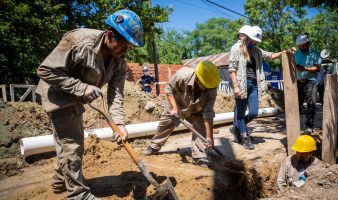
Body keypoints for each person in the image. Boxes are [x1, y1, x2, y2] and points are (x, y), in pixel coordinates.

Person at [35, 9, 143, 199]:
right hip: (57, 94)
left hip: (76, 97)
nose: (125, 52)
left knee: (69, 142)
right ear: (110, 35)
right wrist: (81, 88)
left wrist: (119, 123)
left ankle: (60, 181)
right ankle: (79, 195)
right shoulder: (78, 41)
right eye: (123, 45)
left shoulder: (120, 58)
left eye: (129, 48)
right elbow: (45, 70)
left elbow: (116, 91)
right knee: (71, 144)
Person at [143, 61, 220, 167]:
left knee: (200, 123)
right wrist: (174, 108)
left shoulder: (211, 88)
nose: (207, 88)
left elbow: (208, 113)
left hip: (196, 110)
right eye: (204, 85)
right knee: (166, 124)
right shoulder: (182, 75)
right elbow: (169, 89)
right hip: (176, 104)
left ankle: (199, 155)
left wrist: (209, 137)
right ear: (197, 78)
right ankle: (154, 146)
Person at [228, 25, 292, 149]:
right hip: (241, 84)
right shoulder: (236, 48)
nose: (255, 42)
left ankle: (237, 127)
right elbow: (232, 69)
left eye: (256, 41)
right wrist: (235, 87)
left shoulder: (257, 51)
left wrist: (285, 52)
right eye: (253, 40)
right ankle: (244, 136)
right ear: (247, 37)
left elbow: (271, 55)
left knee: (253, 113)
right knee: (240, 113)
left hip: (254, 84)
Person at [295, 33, 322, 133]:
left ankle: (309, 126)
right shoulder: (296, 53)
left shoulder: (315, 53)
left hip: (311, 81)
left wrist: (304, 68)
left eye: (303, 45)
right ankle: (295, 125)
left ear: (308, 43)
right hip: (298, 82)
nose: (301, 47)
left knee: (311, 103)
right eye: (299, 46)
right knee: (296, 104)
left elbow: (318, 68)